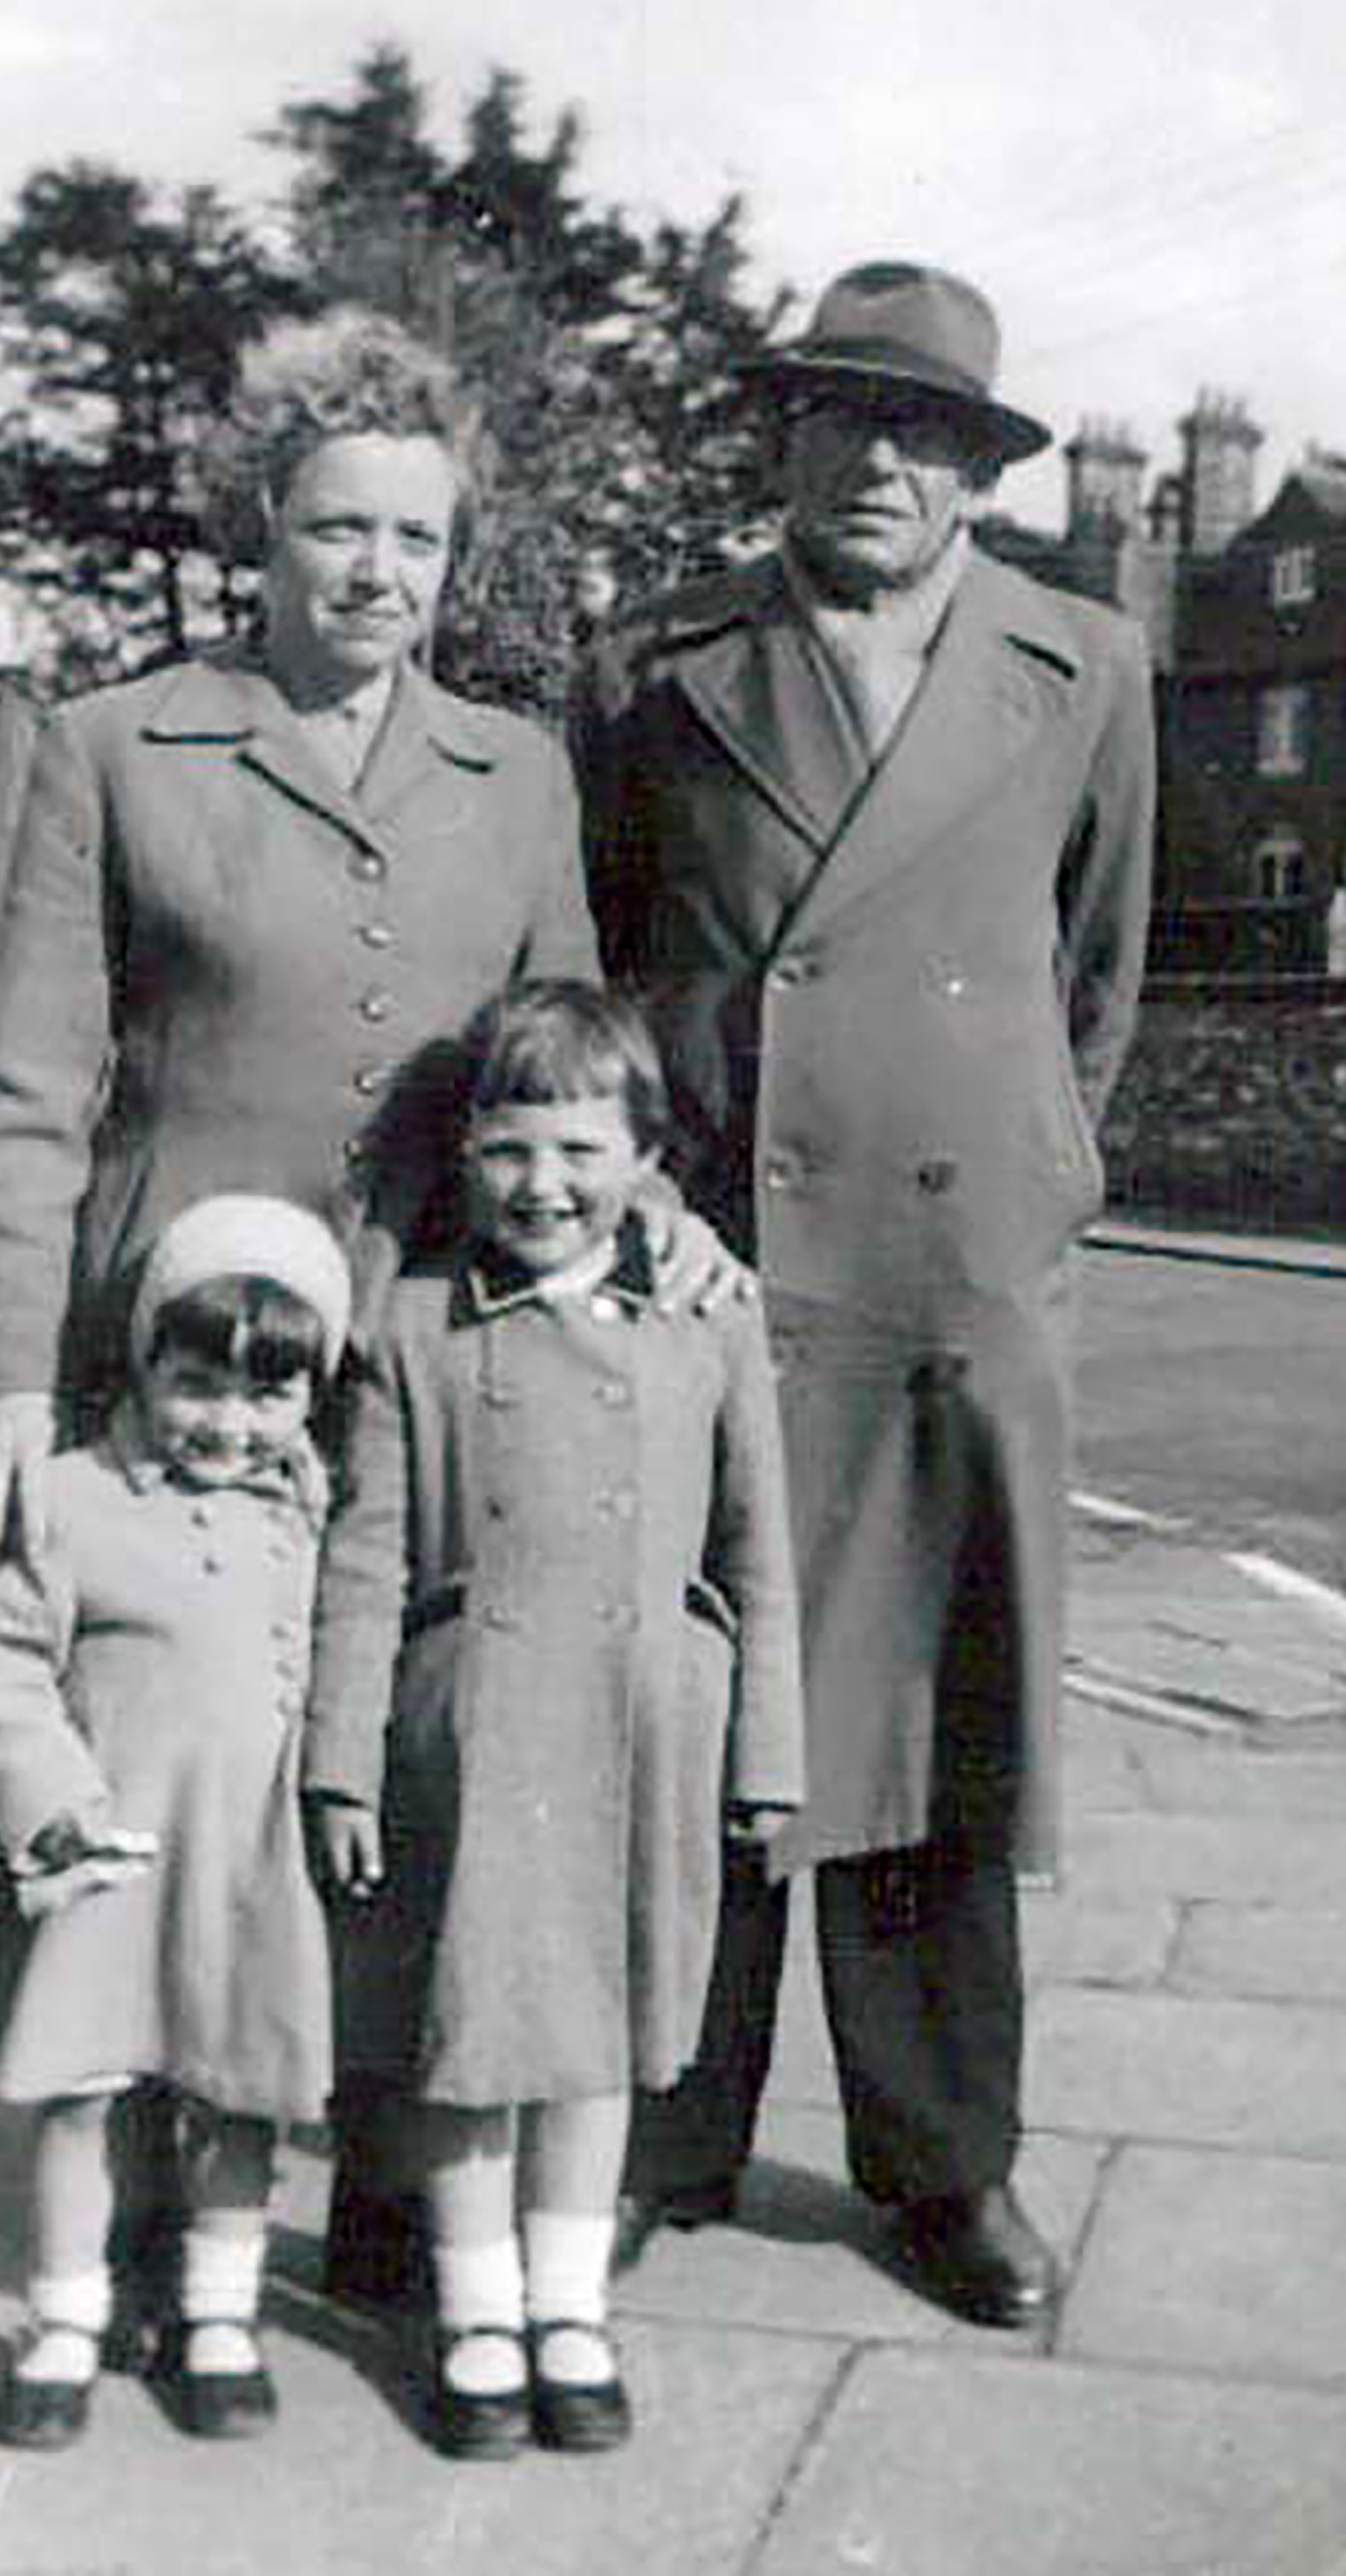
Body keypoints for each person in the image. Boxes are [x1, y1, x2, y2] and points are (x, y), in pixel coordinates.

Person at [0, 302, 739, 2304]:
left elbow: (572, 1070)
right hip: (172, 1359)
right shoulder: (115, 747)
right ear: (264, 531)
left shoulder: (519, 770)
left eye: (418, 543)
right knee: (157, 1749)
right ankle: (121, 2203)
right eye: (337, 531)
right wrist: (11, 1389)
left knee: (398, 1757)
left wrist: (662, 1230)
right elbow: (28, 1094)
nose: (377, 575)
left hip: (422, 1348)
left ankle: (398, 2190)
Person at [572, 260, 1155, 2325]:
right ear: (785, 437)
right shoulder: (655, 659)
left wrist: (1034, 1187)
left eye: (927, 434)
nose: (879, 463)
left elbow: (1096, 972)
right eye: (841, 417)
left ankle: (941, 2168)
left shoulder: (1082, 661)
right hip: (718, 1260)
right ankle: (659, 2135)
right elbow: (609, 955)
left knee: (938, 1720)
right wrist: (646, 1188)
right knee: (696, 1700)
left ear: (985, 476)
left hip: (950, 1280)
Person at [303, 982, 802, 2456]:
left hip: (646, 1724)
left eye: (584, 1150)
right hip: (477, 1729)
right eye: (512, 1150)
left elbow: (759, 1553)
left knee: (599, 2034)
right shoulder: (409, 1333)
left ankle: (570, 2303)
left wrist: (768, 1752)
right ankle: (474, 2309)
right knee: (475, 2032)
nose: (546, 1185)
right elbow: (364, 1562)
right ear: (463, 1157)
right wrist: (341, 1763)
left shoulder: (709, 1324)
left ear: (649, 1157)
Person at [0, 1194, 352, 2449]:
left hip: (246, 1863)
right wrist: (54, 1806)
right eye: (198, 1383)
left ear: (311, 1397)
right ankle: (63, 2314)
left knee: (237, 2091)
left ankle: (220, 2311)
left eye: (268, 1395)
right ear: (148, 1360)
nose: (228, 1422)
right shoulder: (73, 1500)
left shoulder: (311, 1514)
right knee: (82, 2092)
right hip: (106, 1856)